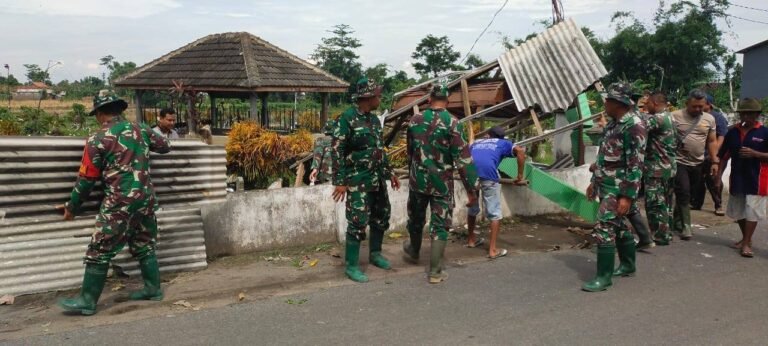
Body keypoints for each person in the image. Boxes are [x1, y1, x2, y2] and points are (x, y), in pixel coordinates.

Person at [56, 92, 171, 315]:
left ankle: (87, 301)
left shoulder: (97, 139)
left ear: (99, 113)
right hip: (145, 200)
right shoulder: (141, 129)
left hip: (119, 202)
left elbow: (87, 179)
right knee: (144, 243)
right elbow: (165, 146)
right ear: (119, 110)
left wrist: (72, 207)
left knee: (99, 249)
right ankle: (152, 289)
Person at [402, 82, 478, 284]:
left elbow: (410, 153)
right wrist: (472, 190)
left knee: (416, 218)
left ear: (429, 99)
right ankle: (435, 272)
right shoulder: (453, 123)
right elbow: (463, 161)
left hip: (417, 182)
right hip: (442, 185)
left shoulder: (414, 120)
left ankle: (414, 249)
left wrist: (414, 171)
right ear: (448, 100)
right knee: (439, 226)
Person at [331, 77, 400, 283]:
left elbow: (379, 150)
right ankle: (351, 266)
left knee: (381, 216)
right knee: (357, 222)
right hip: (357, 181)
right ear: (367, 97)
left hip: (377, 179)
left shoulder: (373, 119)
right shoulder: (346, 119)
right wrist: (340, 181)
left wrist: (390, 173)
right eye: (378, 94)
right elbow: (336, 151)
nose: (380, 97)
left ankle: (375, 254)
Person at [583, 83, 646, 292]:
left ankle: (604, 277)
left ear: (618, 103)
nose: (605, 103)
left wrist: (627, 196)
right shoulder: (612, 124)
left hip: (619, 188)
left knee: (604, 226)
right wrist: (594, 183)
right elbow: (604, 158)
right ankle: (628, 265)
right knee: (618, 226)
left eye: (608, 100)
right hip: (605, 184)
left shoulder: (634, 125)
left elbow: (636, 164)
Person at [715, 98, 768, 258]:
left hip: (758, 179)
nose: (747, 117)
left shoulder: (764, 132)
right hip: (737, 177)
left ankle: (746, 243)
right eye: (744, 113)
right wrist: (718, 177)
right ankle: (746, 238)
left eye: (751, 114)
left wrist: (756, 154)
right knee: (738, 211)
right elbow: (723, 157)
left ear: (757, 115)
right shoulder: (732, 133)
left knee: (752, 211)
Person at [466, 126, 526, 258]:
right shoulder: (503, 143)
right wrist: (519, 175)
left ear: (488, 135)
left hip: (470, 174)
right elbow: (520, 152)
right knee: (494, 213)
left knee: (473, 208)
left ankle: (471, 240)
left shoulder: (477, 142)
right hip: (489, 175)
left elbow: (467, 154)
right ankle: (493, 250)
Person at [672, 90, 719, 240]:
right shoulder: (675, 116)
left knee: (689, 193)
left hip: (698, 162)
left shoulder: (709, 119)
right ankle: (686, 227)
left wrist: (714, 161)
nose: (698, 109)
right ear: (687, 104)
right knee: (684, 191)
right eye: (695, 106)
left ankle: (676, 219)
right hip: (679, 161)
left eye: (701, 106)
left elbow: (712, 141)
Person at [642, 91, 677, 246]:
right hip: (669, 167)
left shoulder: (658, 118)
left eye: (647, 103)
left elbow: (636, 126)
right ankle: (667, 232)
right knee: (666, 202)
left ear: (655, 103)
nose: (645, 106)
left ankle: (660, 235)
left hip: (657, 168)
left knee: (655, 203)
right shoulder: (671, 116)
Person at [691, 94, 729, 215]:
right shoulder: (697, 117)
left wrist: (714, 156)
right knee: (698, 180)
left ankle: (718, 205)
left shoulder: (718, 118)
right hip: (698, 154)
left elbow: (721, 137)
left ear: (709, 105)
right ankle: (697, 203)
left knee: (713, 179)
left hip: (712, 155)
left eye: (702, 104)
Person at [309, 120, 335, 185]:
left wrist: (315, 169)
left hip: (326, 173)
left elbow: (318, 155)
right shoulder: (341, 141)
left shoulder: (320, 140)